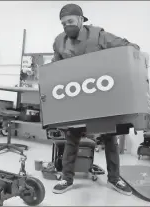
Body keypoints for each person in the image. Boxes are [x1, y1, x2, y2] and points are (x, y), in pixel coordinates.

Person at [51, 3, 140, 195]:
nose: (67, 26)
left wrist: (139, 54)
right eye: (64, 23)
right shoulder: (59, 41)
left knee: (110, 137)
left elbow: (128, 47)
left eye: (71, 21)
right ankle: (66, 179)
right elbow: (54, 68)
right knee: (72, 137)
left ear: (82, 20)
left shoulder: (99, 35)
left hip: (101, 98)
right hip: (76, 97)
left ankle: (114, 179)